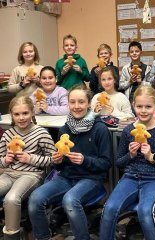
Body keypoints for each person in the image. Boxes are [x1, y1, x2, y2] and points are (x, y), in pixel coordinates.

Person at [28, 84, 112, 240]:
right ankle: (43, 237)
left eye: (81, 102)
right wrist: (57, 161)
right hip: (66, 177)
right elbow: (60, 167)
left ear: (89, 104)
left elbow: (106, 164)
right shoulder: (64, 129)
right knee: (35, 198)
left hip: (91, 178)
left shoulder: (100, 129)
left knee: (70, 200)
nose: (77, 106)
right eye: (72, 102)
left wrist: (84, 160)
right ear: (68, 104)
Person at [100, 85, 155, 240]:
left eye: (148, 106)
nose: (143, 110)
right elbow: (119, 163)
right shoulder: (129, 130)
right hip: (130, 177)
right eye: (139, 106)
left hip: (154, 179)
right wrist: (130, 154)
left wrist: (152, 157)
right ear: (133, 106)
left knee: (145, 211)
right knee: (109, 208)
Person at [0, 96, 55, 240]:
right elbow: (0, 161)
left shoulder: (41, 133)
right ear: (11, 115)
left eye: (25, 113)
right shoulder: (8, 134)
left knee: (11, 199)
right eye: (17, 114)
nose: (21, 117)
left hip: (32, 175)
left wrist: (30, 158)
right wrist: (5, 160)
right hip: (9, 173)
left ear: (32, 113)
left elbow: (53, 160)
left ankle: (12, 237)